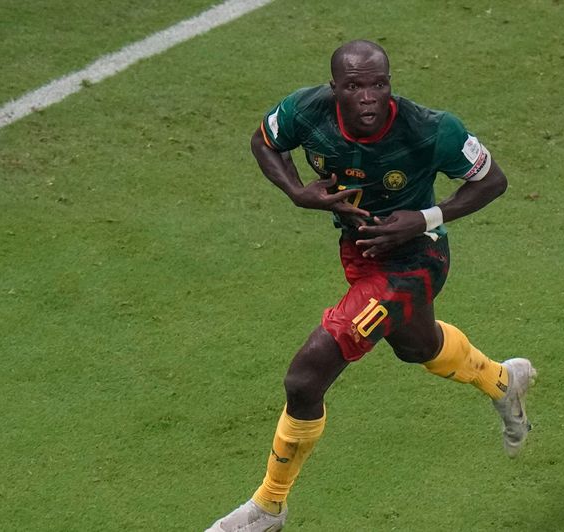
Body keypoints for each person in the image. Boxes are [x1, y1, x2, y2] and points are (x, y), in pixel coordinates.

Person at [206, 40, 536, 532]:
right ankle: (504, 382)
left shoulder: (431, 129)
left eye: (379, 84)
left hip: (415, 260)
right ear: (334, 87)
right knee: (418, 346)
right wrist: (298, 192)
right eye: (355, 86)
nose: (368, 97)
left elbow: (493, 181)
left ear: (389, 83)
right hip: (360, 254)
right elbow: (265, 142)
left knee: (305, 376)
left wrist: (425, 217)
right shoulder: (305, 110)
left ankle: (268, 507)